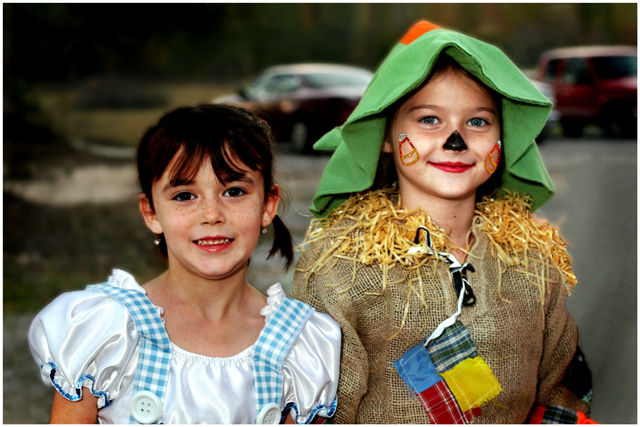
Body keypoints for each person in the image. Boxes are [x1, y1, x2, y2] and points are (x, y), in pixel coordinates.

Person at [293, 21, 593, 424]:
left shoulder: (533, 264)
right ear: (385, 135)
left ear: (502, 142)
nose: (456, 141)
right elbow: (319, 408)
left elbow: (564, 389)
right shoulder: (340, 270)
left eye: (478, 122)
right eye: (429, 120)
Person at [28, 104, 341, 424]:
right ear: (151, 213)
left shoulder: (301, 344)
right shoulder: (109, 331)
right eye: (184, 196)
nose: (212, 214)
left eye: (233, 191)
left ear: (267, 205)